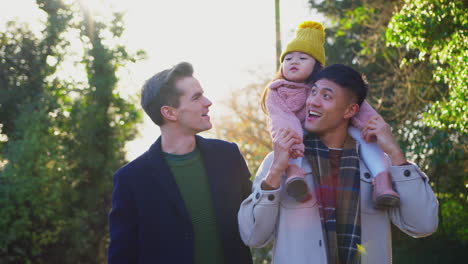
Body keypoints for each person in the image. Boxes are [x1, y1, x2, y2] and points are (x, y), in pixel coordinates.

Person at [238, 64, 438, 263]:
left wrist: (395, 153)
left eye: (326, 96)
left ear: (350, 110)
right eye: (313, 92)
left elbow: (423, 225)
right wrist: (274, 173)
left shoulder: (379, 168)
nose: (313, 102)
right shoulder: (281, 162)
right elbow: (253, 236)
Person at [108, 62, 253, 264]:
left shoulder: (228, 156)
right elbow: (122, 256)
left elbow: (256, 218)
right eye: (196, 97)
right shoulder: (131, 179)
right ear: (170, 113)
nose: (208, 102)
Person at [261, 21, 399, 207]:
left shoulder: (324, 83)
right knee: (291, 138)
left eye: (303, 58)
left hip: (329, 129)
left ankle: (382, 182)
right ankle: (295, 174)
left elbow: (358, 106)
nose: (294, 61)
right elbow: (282, 119)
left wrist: (373, 126)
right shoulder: (277, 91)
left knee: (365, 138)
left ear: (317, 66)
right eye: (288, 58)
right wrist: (294, 140)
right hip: (294, 134)